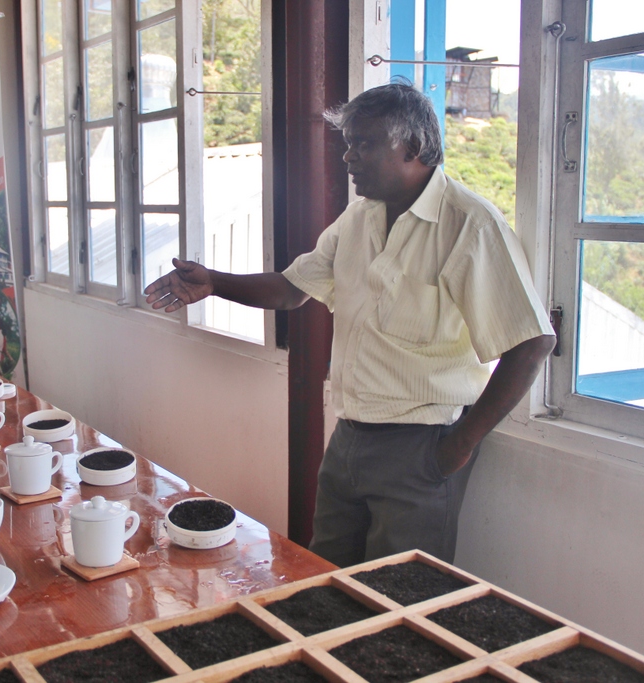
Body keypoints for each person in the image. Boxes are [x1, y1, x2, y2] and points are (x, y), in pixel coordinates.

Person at [144, 81, 555, 567]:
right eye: (348, 143)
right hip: (350, 440)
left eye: (364, 143)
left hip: (421, 446)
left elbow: (531, 342)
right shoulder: (358, 219)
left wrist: (458, 449)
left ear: (414, 148)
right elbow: (293, 288)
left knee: (400, 602)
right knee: (328, 581)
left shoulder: (470, 225)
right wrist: (214, 281)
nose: (348, 157)